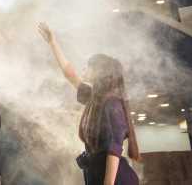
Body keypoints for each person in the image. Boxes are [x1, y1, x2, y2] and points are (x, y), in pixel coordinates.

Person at [37, 22, 140, 185]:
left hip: (115, 179)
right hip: (96, 173)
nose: (83, 69)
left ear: (100, 72)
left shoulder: (112, 104)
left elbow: (114, 149)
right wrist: (53, 43)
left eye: (88, 66)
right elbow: (69, 74)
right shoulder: (94, 97)